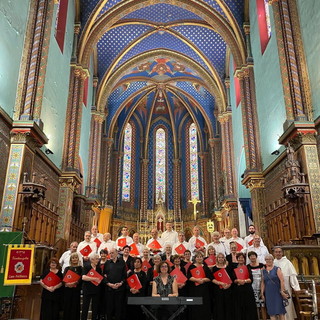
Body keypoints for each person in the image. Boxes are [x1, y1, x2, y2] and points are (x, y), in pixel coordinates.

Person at [273, 247, 300, 320]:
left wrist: (296, 287)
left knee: (287, 304)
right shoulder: (273, 262)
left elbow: (292, 275)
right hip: (276, 288)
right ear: (274, 253)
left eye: (279, 252)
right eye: (276, 252)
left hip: (286, 287)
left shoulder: (287, 262)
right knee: (278, 305)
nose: (278, 253)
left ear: (282, 253)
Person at [261, 254, 288, 320]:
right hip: (268, 293)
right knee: (271, 312)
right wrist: (262, 293)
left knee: (280, 311)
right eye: (266, 259)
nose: (268, 260)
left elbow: (282, 280)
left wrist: (282, 291)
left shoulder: (277, 269)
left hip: (277, 293)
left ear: (273, 260)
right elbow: (262, 282)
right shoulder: (263, 270)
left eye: (270, 259)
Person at [187, 251, 213, 320]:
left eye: (201, 257)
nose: (199, 258)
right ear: (195, 258)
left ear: (203, 258)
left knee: (204, 305)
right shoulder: (192, 266)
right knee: (196, 306)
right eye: (197, 257)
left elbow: (210, 278)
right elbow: (189, 277)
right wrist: (197, 280)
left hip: (204, 289)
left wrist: (203, 280)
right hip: (194, 289)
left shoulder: (205, 267)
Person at [103, 248, 127, 320]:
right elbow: (104, 276)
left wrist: (120, 283)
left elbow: (124, 276)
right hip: (109, 289)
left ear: (117, 253)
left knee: (118, 308)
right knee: (109, 308)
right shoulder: (107, 263)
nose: (111, 254)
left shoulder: (122, 262)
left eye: (112, 253)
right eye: (110, 253)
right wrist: (109, 284)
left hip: (119, 289)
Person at [233, 252, 258, 320]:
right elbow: (233, 280)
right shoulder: (234, 268)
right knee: (240, 307)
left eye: (242, 258)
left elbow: (251, 279)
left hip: (247, 290)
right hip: (238, 291)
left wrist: (244, 281)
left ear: (244, 259)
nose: (241, 259)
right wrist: (238, 281)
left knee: (249, 307)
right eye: (239, 258)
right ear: (237, 259)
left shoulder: (247, 267)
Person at [212, 253, 234, 320]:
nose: (221, 259)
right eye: (219, 257)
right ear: (217, 259)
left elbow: (232, 278)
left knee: (228, 306)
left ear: (224, 258)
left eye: (222, 257)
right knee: (219, 306)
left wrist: (228, 285)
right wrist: (220, 283)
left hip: (227, 289)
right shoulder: (214, 268)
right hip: (218, 290)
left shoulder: (228, 267)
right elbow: (212, 279)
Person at [81, 253, 102, 320]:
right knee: (85, 307)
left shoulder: (98, 268)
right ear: (92, 260)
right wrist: (94, 279)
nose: (98, 260)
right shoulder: (86, 266)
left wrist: (99, 280)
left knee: (95, 307)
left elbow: (100, 278)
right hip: (87, 289)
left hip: (96, 290)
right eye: (96, 259)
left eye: (98, 259)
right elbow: (83, 277)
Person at [247, 251, 267, 320]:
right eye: (251, 256)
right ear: (249, 258)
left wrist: (262, 290)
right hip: (252, 288)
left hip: (261, 286)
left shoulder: (262, 265)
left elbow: (264, 277)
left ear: (256, 256)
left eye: (253, 256)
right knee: (255, 306)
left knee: (263, 305)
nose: (252, 257)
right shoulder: (248, 267)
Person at [62, 252, 82, 320]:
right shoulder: (67, 268)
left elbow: (81, 278)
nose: (74, 259)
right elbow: (64, 279)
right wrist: (67, 284)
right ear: (71, 259)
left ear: (78, 259)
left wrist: (75, 283)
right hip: (68, 290)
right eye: (73, 258)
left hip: (76, 290)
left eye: (76, 258)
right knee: (67, 306)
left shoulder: (81, 268)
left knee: (75, 306)